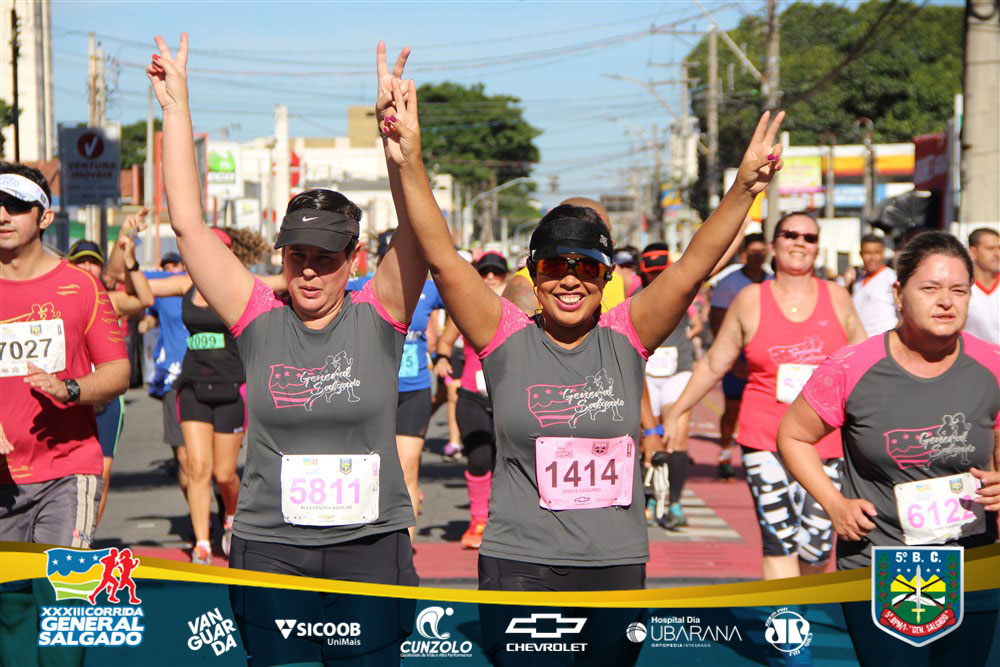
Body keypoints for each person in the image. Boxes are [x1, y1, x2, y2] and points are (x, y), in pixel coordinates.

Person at [380, 65, 786, 591]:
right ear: (533, 274)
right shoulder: (503, 335)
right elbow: (440, 253)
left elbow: (691, 268)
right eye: (554, 266)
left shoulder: (627, 334)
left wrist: (744, 190)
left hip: (613, 564)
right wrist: (409, 158)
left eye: (587, 267)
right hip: (518, 562)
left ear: (607, 277)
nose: (570, 280)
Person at [777, 230, 999, 666]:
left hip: (971, 562)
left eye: (958, 290)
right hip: (881, 561)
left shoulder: (991, 364)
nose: (946, 301)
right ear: (899, 294)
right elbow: (793, 436)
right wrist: (834, 504)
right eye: (930, 288)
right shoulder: (852, 367)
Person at [663, 211, 867, 580]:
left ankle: (803, 602)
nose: (799, 243)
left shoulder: (837, 297)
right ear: (774, 244)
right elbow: (714, 363)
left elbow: (865, 367)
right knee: (779, 540)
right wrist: (677, 412)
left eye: (809, 237)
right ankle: (786, 615)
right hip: (764, 437)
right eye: (790, 235)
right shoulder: (750, 300)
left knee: (817, 546)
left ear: (817, 247)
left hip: (825, 440)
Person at [0, 162, 129, 548]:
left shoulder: (81, 286)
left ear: (45, 217)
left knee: (60, 584)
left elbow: (118, 371)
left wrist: (69, 388)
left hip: (67, 472)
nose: (2, 215)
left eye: (16, 205)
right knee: (12, 590)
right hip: (4, 478)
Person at [147, 227, 272, 564]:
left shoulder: (241, 284)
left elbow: (284, 283)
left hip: (231, 388)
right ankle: (201, 543)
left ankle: (232, 517)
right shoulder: (185, 284)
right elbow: (142, 290)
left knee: (224, 474)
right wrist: (128, 258)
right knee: (197, 470)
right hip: (193, 388)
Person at [349, 228, 446, 545]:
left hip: (414, 390)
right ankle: (367, 540)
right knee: (369, 470)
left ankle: (405, 547)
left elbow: (465, 301)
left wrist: (445, 348)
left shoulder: (428, 290)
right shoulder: (360, 287)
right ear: (382, 258)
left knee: (407, 468)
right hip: (371, 393)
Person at [67, 229, 154, 527]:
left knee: (101, 474)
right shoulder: (55, 300)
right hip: (68, 395)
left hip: (106, 398)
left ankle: (88, 536)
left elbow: (145, 298)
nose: (87, 268)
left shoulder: (109, 301)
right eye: (81, 262)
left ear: (102, 269)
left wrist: (130, 261)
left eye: (93, 263)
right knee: (68, 474)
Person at [433, 251, 511, 548]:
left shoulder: (518, 309)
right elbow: (445, 342)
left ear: (507, 278)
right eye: (485, 272)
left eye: (497, 273)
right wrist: (442, 359)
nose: (490, 278)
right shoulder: (465, 308)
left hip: (507, 397)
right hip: (472, 396)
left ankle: (504, 520)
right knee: (479, 458)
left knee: (508, 462)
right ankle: (478, 519)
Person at [638, 242, 701, 530]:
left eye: (661, 271)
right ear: (644, 272)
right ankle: (650, 497)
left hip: (677, 370)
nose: (657, 276)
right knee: (647, 437)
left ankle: (674, 501)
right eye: (652, 272)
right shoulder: (636, 299)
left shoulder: (684, 291)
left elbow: (698, 320)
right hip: (647, 375)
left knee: (677, 434)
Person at [708, 232, 770, 480]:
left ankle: (763, 455)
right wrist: (731, 358)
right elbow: (716, 320)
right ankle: (725, 453)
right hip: (737, 353)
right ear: (743, 254)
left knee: (764, 408)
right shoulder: (729, 282)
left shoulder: (773, 280)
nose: (757, 257)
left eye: (762, 253)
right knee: (732, 407)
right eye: (753, 253)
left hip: (765, 355)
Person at [849, 233, 898, 337]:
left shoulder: (891, 278)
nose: (872, 257)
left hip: (884, 341)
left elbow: (904, 314)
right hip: (862, 341)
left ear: (883, 253)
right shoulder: (857, 282)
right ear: (861, 254)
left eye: (877, 252)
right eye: (867, 253)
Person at [965, 227, 998, 344]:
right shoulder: (961, 287)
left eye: (999, 248)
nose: (997, 254)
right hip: (972, 354)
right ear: (973, 252)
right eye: (990, 249)